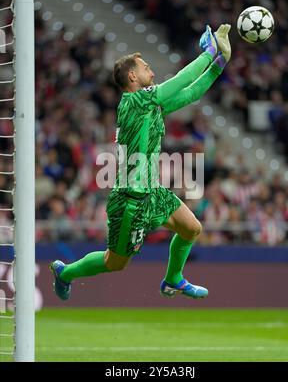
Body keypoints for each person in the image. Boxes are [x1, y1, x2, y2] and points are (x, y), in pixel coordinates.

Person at [50, 24, 232, 300]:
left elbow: (191, 93)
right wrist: (207, 54)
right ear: (132, 76)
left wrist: (219, 64)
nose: (153, 71)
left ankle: (173, 279)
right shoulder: (133, 102)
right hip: (130, 199)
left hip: (152, 192)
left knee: (192, 228)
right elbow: (181, 80)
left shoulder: (150, 105)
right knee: (116, 262)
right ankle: (65, 273)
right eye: (147, 67)